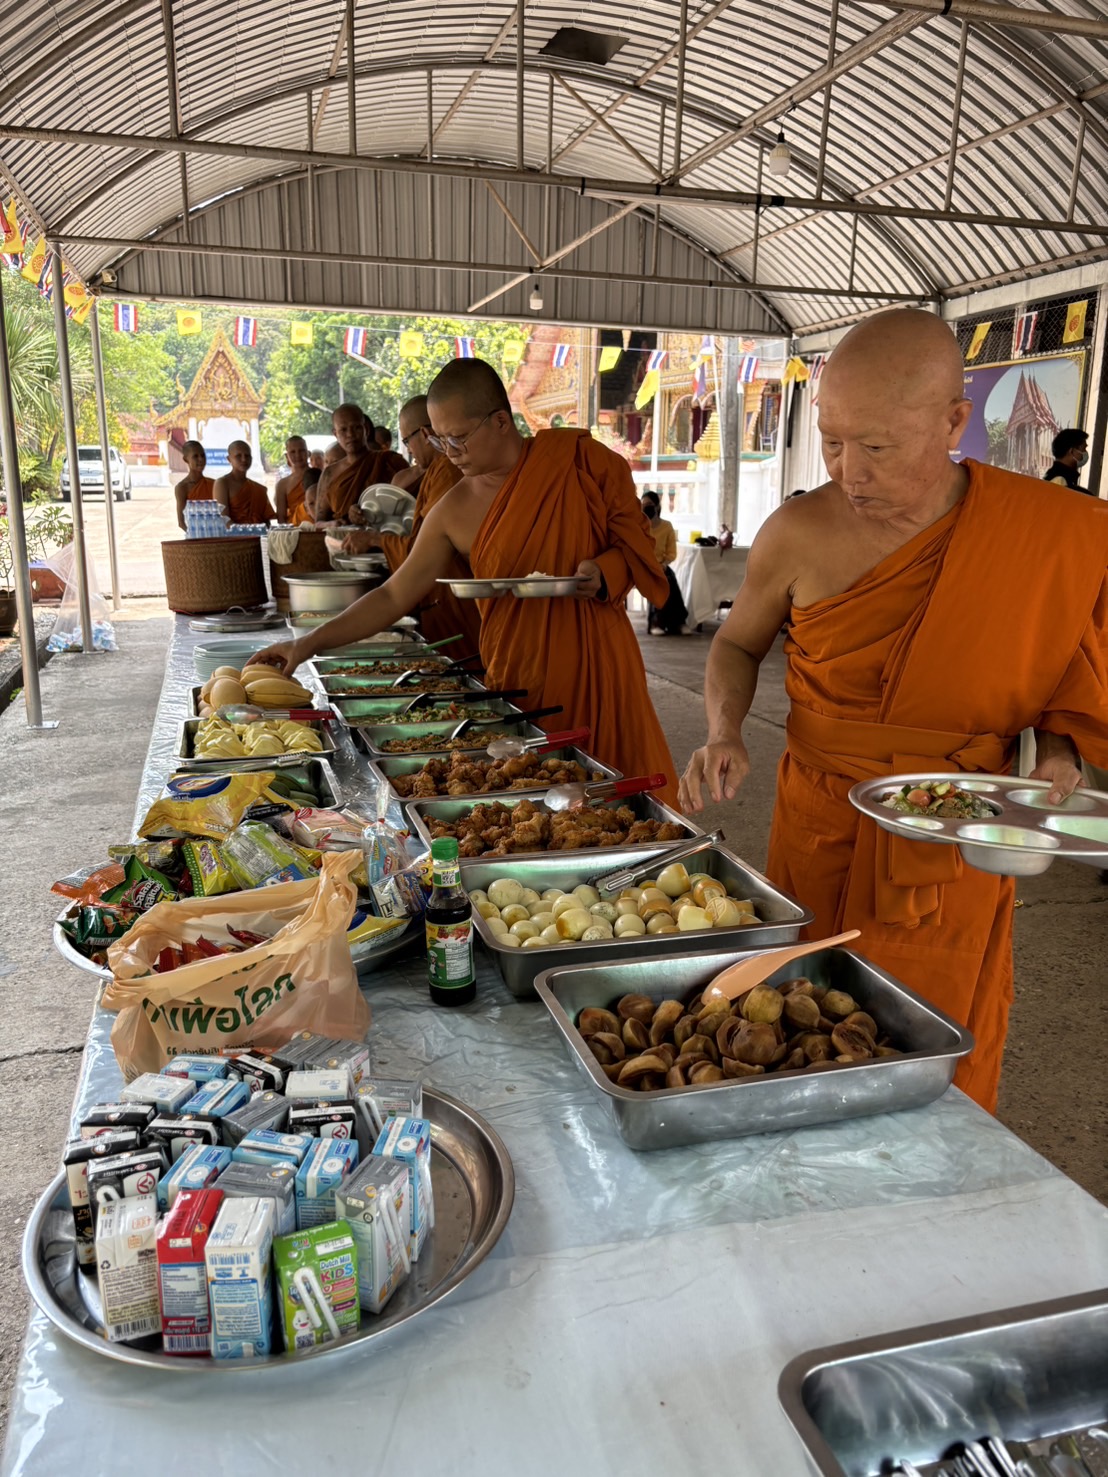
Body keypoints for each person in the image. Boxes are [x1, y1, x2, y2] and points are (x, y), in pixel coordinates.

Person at [679, 307, 1108, 1113]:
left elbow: (1065, 674)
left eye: (875, 447)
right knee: (793, 1022)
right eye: (833, 442)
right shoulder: (798, 531)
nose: (849, 470)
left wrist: (1058, 750)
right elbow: (737, 644)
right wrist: (723, 729)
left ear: (953, 421)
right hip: (822, 817)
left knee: (932, 1048)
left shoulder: (1041, 535)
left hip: (960, 829)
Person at [254, 358, 678, 795]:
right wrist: (306, 644)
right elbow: (394, 595)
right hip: (519, 671)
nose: (449, 452)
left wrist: (604, 572)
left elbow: (640, 551)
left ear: (500, 421)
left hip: (601, 663)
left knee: (625, 792)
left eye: (458, 437)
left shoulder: (582, 463)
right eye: (439, 439)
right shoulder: (453, 509)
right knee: (536, 796)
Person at [340, 395, 482, 657]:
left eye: (407, 441)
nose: (409, 450)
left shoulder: (448, 472)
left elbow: (426, 550)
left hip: (454, 597)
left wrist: (375, 540)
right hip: (439, 595)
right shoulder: (435, 472)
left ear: (426, 433)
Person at [312, 406, 395, 524]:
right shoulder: (330, 473)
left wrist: (368, 511)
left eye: (356, 428)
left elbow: (405, 505)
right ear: (335, 434)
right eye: (343, 430)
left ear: (366, 428)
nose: (350, 434)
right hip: (341, 539)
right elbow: (319, 522)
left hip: (383, 537)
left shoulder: (388, 461)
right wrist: (333, 524)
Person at [642, 491, 688, 636]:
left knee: (669, 579)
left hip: (661, 565)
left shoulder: (667, 527)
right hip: (644, 566)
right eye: (643, 505)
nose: (646, 508)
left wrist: (664, 564)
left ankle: (678, 623)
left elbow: (671, 553)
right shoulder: (640, 527)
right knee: (662, 579)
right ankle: (657, 622)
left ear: (657, 506)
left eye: (649, 505)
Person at [212, 441, 276, 525]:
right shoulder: (222, 483)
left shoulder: (259, 489)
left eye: (247, 456)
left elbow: (266, 521)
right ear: (229, 459)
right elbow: (223, 519)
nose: (244, 459)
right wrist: (244, 532)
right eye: (238, 456)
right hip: (233, 536)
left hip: (258, 536)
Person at [172, 440, 214, 531]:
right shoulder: (182, 487)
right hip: (195, 536)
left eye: (203, 455)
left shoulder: (214, 484)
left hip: (216, 533)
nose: (201, 459)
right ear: (186, 459)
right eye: (195, 456)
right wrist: (195, 536)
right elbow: (181, 523)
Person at [274, 435, 313, 525]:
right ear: (287, 456)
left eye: (301, 451)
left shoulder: (319, 475)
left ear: (308, 453)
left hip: (317, 528)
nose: (297, 455)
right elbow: (281, 518)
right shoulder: (282, 484)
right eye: (292, 452)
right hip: (294, 530)